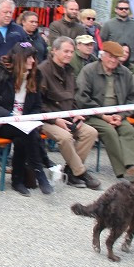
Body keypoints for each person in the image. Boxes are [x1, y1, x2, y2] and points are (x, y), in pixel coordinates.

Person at [75, 41, 134, 185]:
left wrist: (121, 115)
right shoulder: (89, 70)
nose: (113, 61)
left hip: (117, 114)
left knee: (128, 130)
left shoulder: (124, 73)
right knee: (109, 132)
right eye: (110, 57)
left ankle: (132, 167)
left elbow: (133, 97)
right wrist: (103, 116)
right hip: (93, 114)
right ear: (103, 55)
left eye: (116, 58)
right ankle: (123, 172)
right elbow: (82, 97)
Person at [0, 42, 54, 196]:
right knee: (26, 132)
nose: (33, 61)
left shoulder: (36, 75)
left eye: (34, 57)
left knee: (24, 135)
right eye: (29, 57)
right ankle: (40, 173)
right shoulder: (1, 73)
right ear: (19, 59)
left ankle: (18, 181)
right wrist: (9, 116)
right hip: (0, 122)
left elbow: (37, 105)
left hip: (24, 124)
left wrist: (30, 119)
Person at [37, 36, 101, 189]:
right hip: (45, 120)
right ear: (54, 51)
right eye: (65, 51)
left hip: (67, 116)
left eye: (71, 52)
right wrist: (55, 119)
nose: (69, 55)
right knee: (65, 138)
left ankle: (71, 172)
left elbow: (72, 98)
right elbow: (38, 103)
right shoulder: (42, 71)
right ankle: (81, 172)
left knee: (90, 132)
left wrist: (76, 113)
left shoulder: (69, 71)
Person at [100, 0, 134, 66]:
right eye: (121, 8)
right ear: (116, 10)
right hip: (112, 62)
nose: (124, 10)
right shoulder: (108, 24)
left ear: (129, 10)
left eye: (126, 8)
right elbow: (101, 43)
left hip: (130, 64)